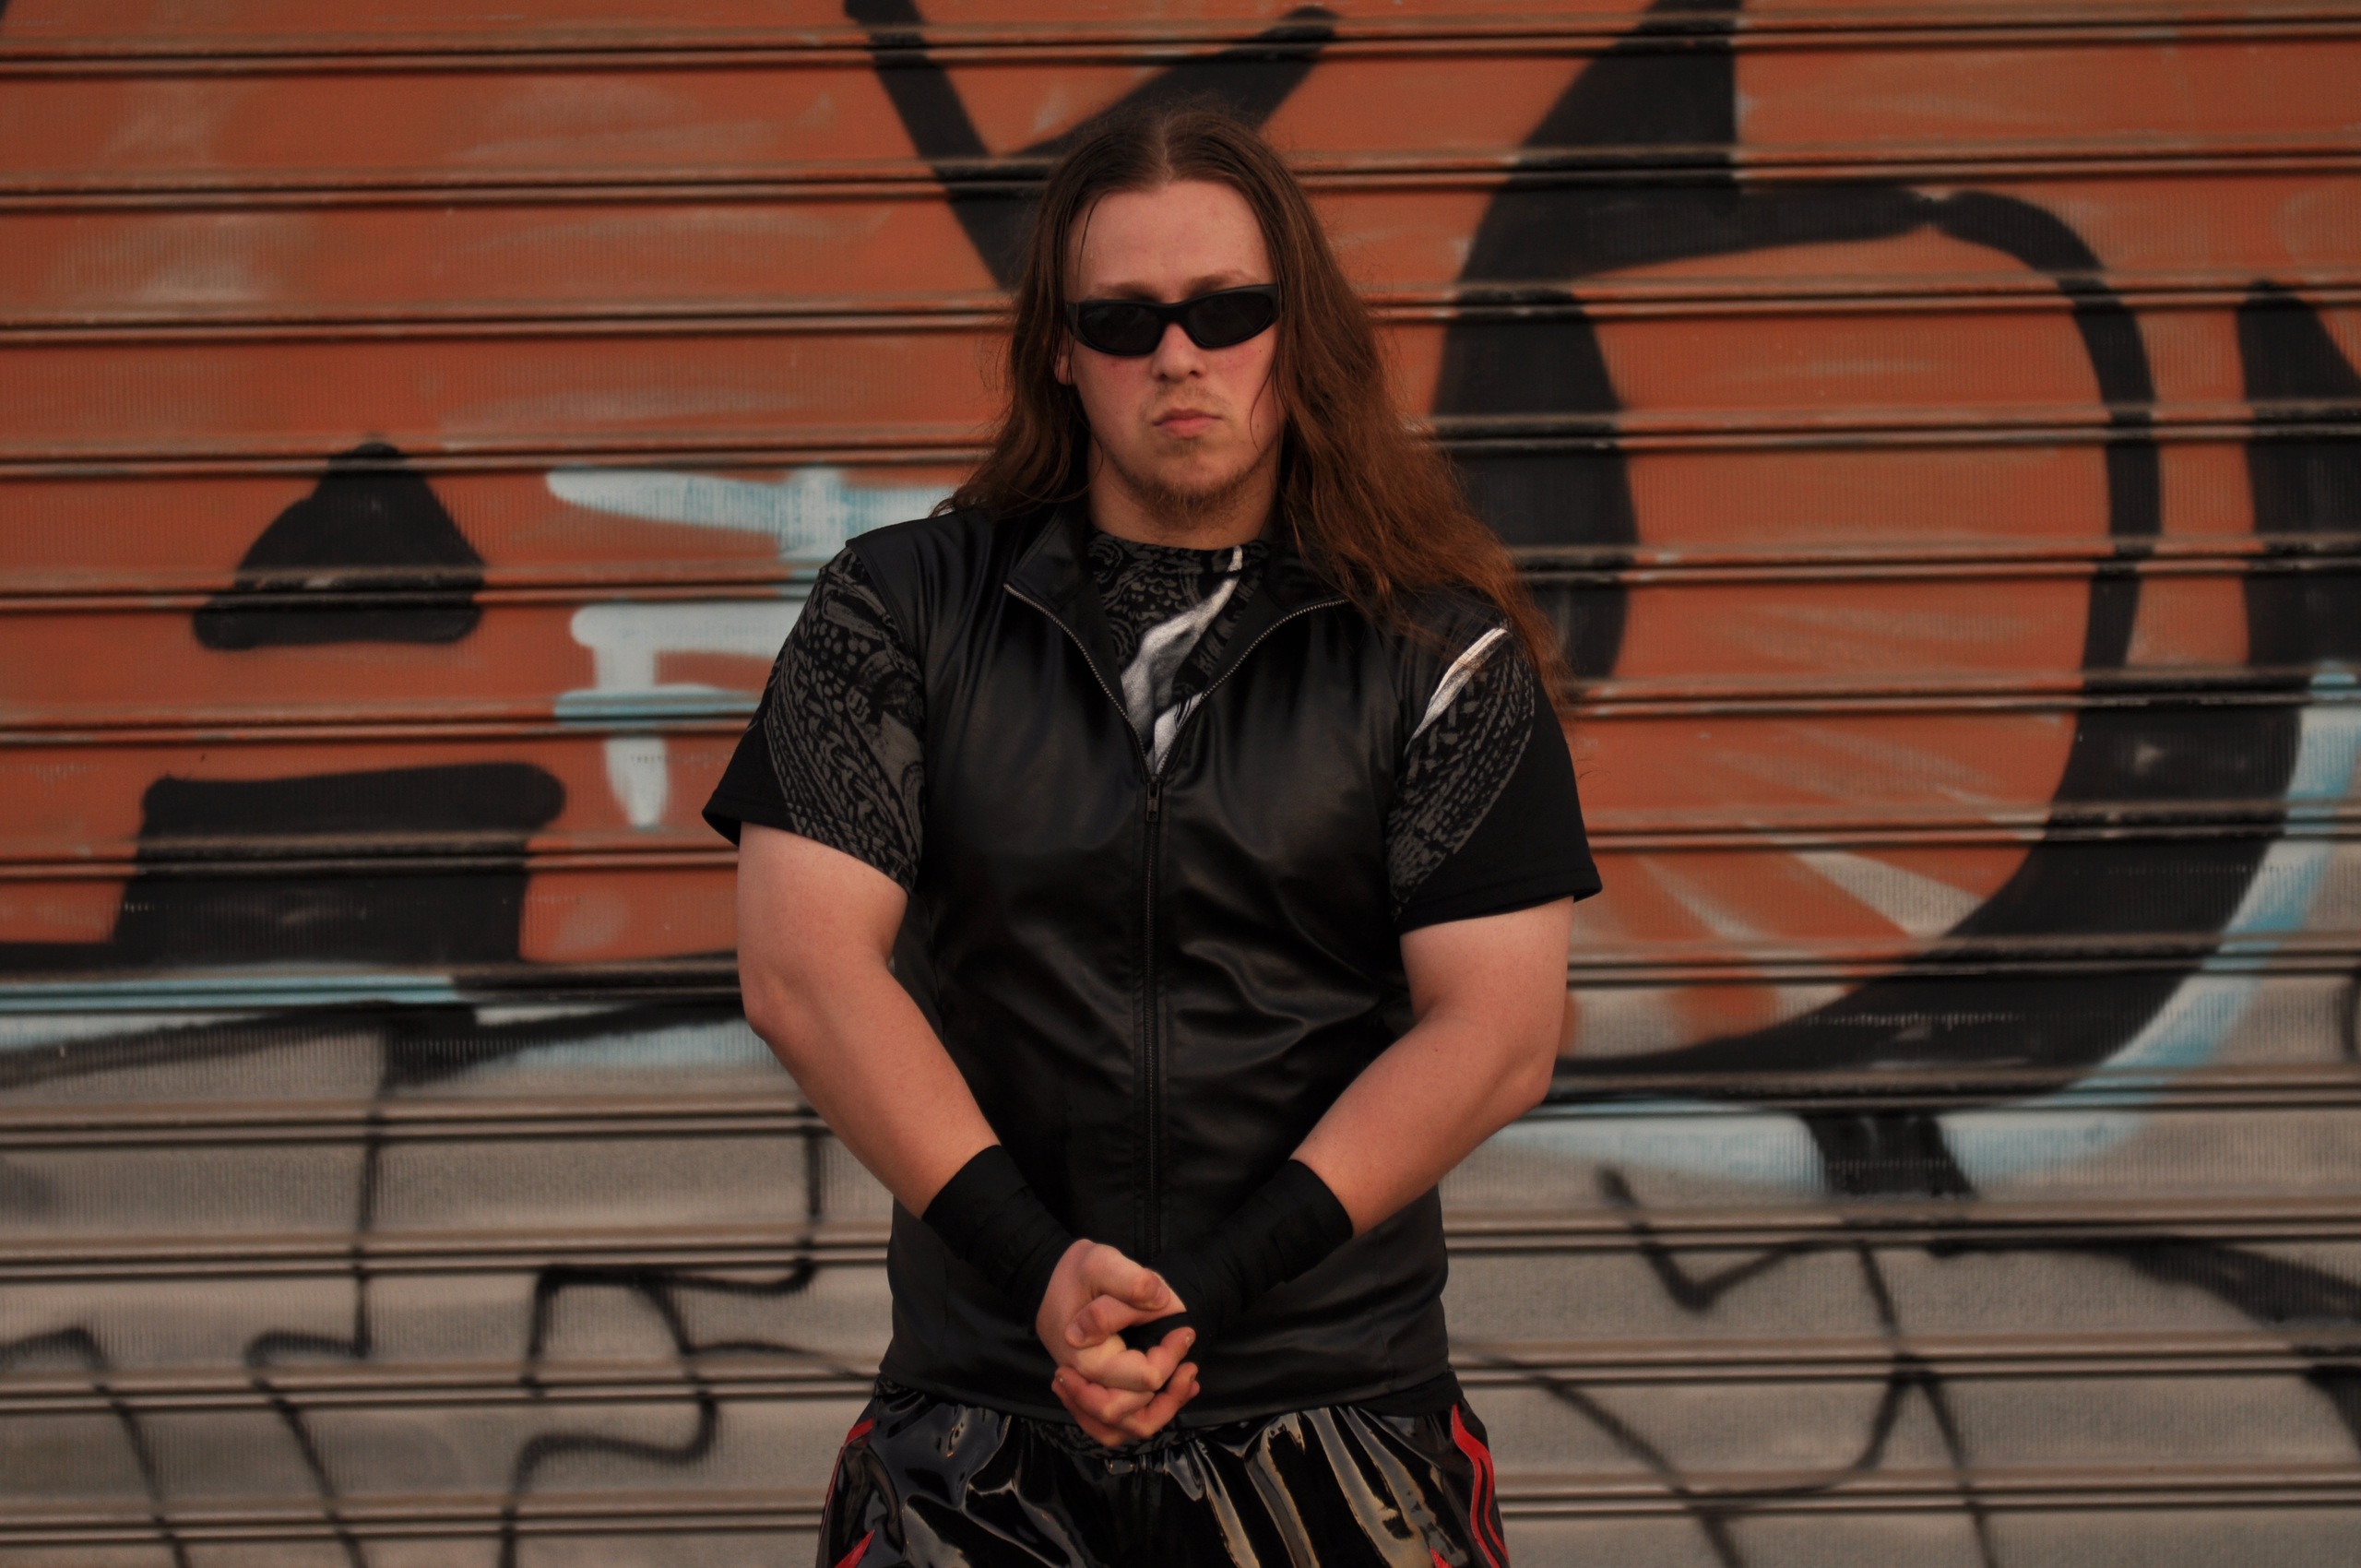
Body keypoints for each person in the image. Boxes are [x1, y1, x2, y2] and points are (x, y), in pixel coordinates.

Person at [704, 104, 1599, 1568]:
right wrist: (1041, 1271)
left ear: (1297, 330)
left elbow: (1497, 1035)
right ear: (1060, 351)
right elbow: (802, 972)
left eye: (1227, 311)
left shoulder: (1441, 653)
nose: (1179, 356)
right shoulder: (899, 609)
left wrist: (1201, 1299)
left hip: (1340, 1436)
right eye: (1123, 320)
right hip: (977, 1439)